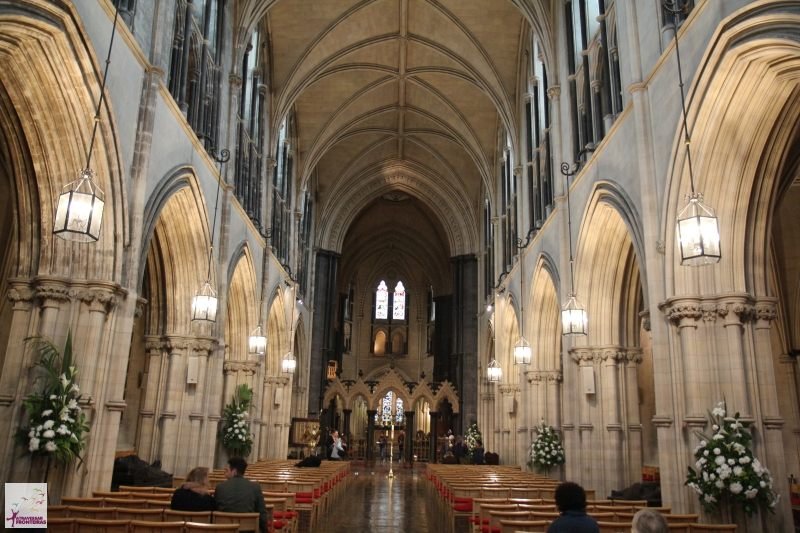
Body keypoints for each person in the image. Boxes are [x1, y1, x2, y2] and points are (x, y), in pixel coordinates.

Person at [214, 457, 268, 533]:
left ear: (234, 471)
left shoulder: (220, 487)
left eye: (226, 470)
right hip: (248, 530)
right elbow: (262, 514)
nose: (224, 473)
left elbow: (216, 509)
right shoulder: (255, 487)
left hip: (224, 529)